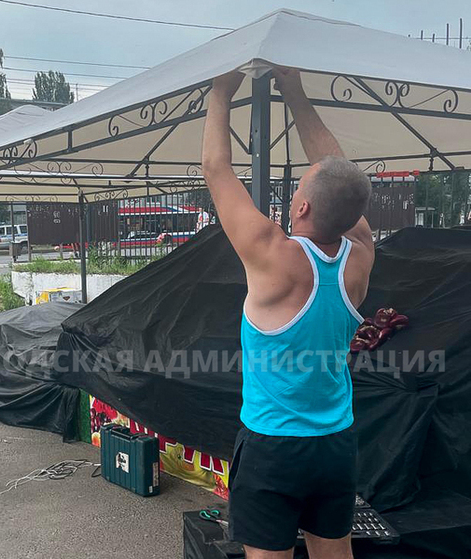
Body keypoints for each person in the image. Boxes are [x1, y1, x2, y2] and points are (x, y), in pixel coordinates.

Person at [202, 67, 374, 559]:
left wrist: (220, 90)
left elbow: (216, 169)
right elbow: (339, 176)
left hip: (274, 447)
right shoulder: (360, 255)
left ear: (299, 207)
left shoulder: (271, 254)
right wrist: (295, 91)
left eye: (299, 188)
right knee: (335, 553)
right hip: (335, 444)